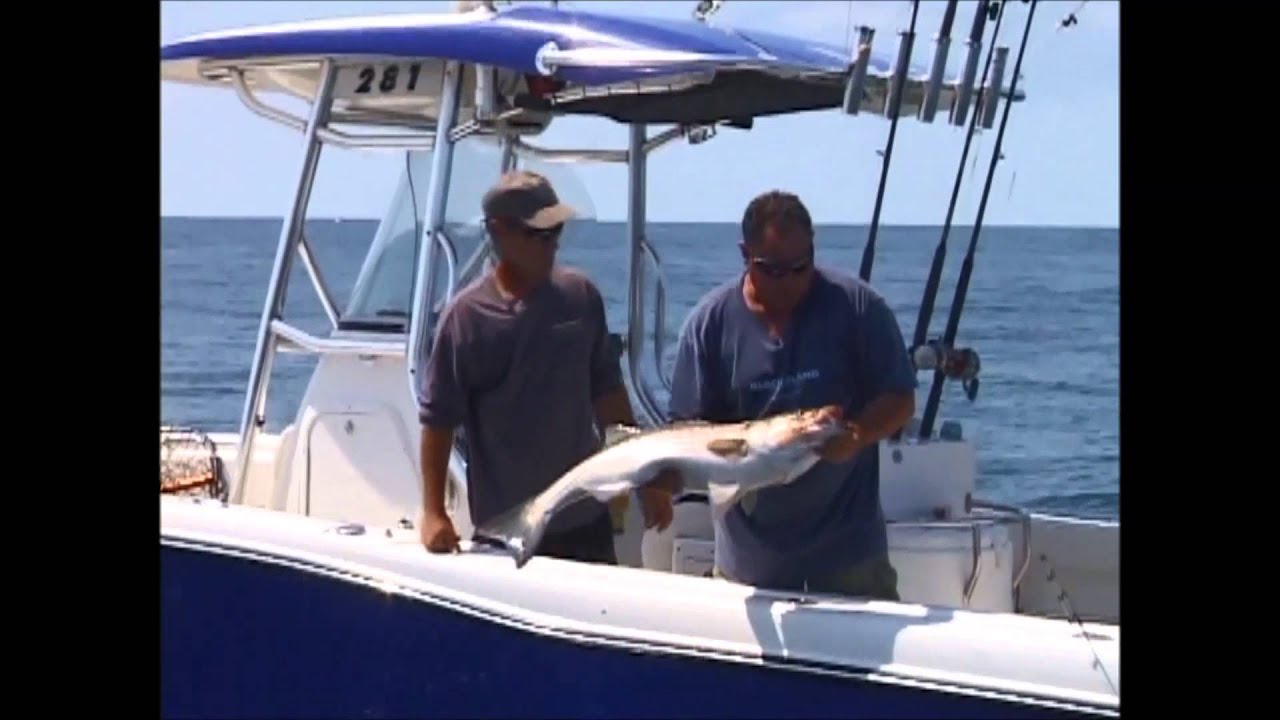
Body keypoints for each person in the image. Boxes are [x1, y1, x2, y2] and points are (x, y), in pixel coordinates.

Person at [667, 190, 916, 600]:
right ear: (745, 255)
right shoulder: (709, 325)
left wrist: (858, 435)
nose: (790, 281)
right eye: (773, 270)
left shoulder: (857, 307)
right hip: (748, 566)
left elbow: (900, 397)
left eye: (801, 266)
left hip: (849, 559)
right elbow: (687, 429)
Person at [416, 170, 673, 563]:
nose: (553, 243)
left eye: (557, 231)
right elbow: (438, 421)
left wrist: (646, 480)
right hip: (506, 531)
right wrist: (433, 512)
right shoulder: (465, 319)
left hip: (586, 521)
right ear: (498, 230)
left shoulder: (580, 297)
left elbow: (609, 397)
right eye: (539, 233)